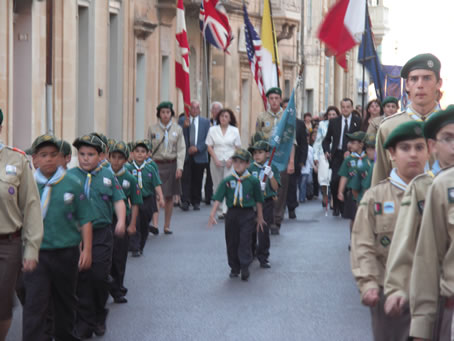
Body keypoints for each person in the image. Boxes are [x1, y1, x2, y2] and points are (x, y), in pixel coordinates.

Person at [350, 121, 429, 341]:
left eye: (419, 147)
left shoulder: (438, 194)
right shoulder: (375, 198)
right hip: (388, 294)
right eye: (405, 148)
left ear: (429, 151)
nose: (413, 154)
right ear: (391, 153)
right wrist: (368, 285)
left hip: (431, 296)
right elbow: (362, 244)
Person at [383, 106, 454, 341]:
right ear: (433, 147)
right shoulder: (429, 187)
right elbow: (414, 249)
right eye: (447, 138)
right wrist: (397, 288)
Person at [22, 135, 93, 341]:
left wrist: (87, 249)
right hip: (36, 254)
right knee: (35, 304)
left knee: (65, 302)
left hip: (66, 252)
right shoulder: (27, 184)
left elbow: (85, 218)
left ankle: (65, 336)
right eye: (43, 155)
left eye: (54, 155)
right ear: (34, 159)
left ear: (62, 157)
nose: (49, 160)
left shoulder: (72, 182)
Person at [70, 134, 126, 338]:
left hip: (101, 232)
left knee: (99, 276)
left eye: (90, 154)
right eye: (82, 154)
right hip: (76, 236)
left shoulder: (108, 176)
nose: (85, 158)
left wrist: (120, 220)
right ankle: (85, 320)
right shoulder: (71, 176)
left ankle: (99, 312)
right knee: (81, 277)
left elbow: (118, 200)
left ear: (101, 155)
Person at [0, 109, 43, 341]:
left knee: (1, 305)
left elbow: (31, 206)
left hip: (7, 246)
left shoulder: (16, 160)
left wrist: (32, 248)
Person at [371, 53, 442, 186]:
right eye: (414, 79)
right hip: (402, 205)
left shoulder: (449, 126)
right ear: (407, 85)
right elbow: (379, 181)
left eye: (427, 78)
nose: (420, 85)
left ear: (439, 83)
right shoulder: (388, 128)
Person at [208, 149, 265, 281]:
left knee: (245, 240)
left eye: (241, 162)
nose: (238, 165)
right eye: (235, 161)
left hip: (247, 213)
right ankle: (234, 267)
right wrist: (212, 214)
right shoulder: (227, 180)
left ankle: (245, 266)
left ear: (247, 164)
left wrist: (260, 217)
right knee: (232, 240)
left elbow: (258, 201)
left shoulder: (253, 181)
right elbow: (218, 198)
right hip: (232, 213)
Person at [255, 88, 295, 235]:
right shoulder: (262, 117)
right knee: (264, 186)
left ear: (280, 100)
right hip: (266, 157)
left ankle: (277, 219)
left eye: (276, 98)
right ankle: (266, 217)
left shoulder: (287, 117)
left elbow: (292, 141)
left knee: (280, 188)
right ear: (267, 100)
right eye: (271, 98)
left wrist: (291, 161)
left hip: (281, 157)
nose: (274, 101)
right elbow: (257, 138)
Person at [109, 141, 143, 302]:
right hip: (104, 219)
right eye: (113, 157)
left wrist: (132, 224)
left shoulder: (129, 178)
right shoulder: (103, 175)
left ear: (125, 159)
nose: (116, 161)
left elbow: (135, 202)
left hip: (122, 219)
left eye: (120, 158)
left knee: (119, 256)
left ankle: (117, 288)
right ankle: (106, 285)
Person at [149, 101, 186, 234]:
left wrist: (180, 167)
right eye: (163, 112)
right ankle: (155, 224)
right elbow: (149, 148)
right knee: (157, 195)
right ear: (159, 114)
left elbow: (181, 149)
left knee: (169, 196)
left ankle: (167, 225)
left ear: (171, 114)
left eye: (168, 112)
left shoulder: (177, 129)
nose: (165, 115)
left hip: (171, 164)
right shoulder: (152, 129)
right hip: (156, 164)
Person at [322, 98, 361, 216]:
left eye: (348, 107)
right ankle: (336, 204)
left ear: (352, 108)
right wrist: (327, 151)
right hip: (337, 155)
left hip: (352, 155)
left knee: (348, 181)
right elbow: (327, 139)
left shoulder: (357, 121)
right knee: (334, 180)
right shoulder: (334, 122)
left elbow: (360, 138)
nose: (345, 109)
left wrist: (353, 150)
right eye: (343, 107)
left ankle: (344, 206)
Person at [127, 140, 164, 254]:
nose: (139, 154)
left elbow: (156, 184)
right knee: (135, 222)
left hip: (147, 199)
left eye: (143, 151)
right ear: (132, 153)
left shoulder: (150, 168)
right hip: (133, 200)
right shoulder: (128, 169)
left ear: (147, 154)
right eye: (137, 151)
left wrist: (161, 197)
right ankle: (135, 247)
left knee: (144, 224)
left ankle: (141, 245)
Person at [248, 140, 280, 268]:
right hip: (252, 202)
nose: (257, 155)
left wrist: (271, 175)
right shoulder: (250, 168)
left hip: (266, 202)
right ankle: (251, 252)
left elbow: (276, 187)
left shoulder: (273, 167)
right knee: (250, 229)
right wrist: (255, 187)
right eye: (255, 153)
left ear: (267, 154)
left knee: (263, 229)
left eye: (260, 152)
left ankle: (263, 256)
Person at [205, 108, 242, 219]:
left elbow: (237, 147)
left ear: (230, 119)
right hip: (216, 160)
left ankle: (227, 208)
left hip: (230, 161)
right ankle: (220, 210)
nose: (223, 118)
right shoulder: (212, 130)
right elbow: (209, 146)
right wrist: (215, 159)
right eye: (221, 116)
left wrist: (232, 159)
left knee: (229, 184)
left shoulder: (234, 130)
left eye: (226, 116)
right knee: (218, 185)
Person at [179, 100, 210, 211]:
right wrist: (184, 127)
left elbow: (208, 138)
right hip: (186, 154)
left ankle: (196, 201)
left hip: (199, 154)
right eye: (192, 107)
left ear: (200, 110)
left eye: (197, 108)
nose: (195, 110)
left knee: (198, 178)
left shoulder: (205, 122)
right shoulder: (182, 120)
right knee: (185, 178)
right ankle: (185, 201)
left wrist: (198, 148)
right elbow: (178, 136)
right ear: (189, 109)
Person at [337, 131, 365, 227]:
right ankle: (353, 240)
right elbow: (344, 175)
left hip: (366, 192)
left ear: (361, 144)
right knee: (353, 218)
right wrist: (340, 191)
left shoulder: (369, 159)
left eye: (353, 142)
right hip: (352, 193)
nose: (350, 145)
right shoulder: (349, 159)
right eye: (350, 142)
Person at [313, 106, 339, 208]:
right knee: (323, 178)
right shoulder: (322, 125)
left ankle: (332, 198)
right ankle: (324, 195)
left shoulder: (340, 124)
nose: (331, 116)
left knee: (333, 177)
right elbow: (318, 141)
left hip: (335, 154)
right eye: (329, 115)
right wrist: (315, 156)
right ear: (326, 116)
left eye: (334, 114)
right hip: (323, 154)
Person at [205, 101, 223, 204]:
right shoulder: (207, 122)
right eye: (214, 109)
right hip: (208, 150)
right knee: (209, 174)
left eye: (218, 109)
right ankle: (208, 196)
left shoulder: (224, 123)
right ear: (211, 111)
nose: (216, 111)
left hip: (220, 151)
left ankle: (218, 195)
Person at [349, 133, 376, 203]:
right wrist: (360, 202)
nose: (369, 151)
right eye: (368, 148)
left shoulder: (377, 165)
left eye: (373, 148)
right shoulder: (363, 166)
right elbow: (355, 188)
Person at [299, 137, 314, 203]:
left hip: (306, 168)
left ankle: (302, 198)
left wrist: (313, 166)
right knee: (300, 184)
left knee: (304, 183)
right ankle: (302, 196)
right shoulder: (299, 147)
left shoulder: (310, 148)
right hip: (299, 169)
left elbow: (311, 158)